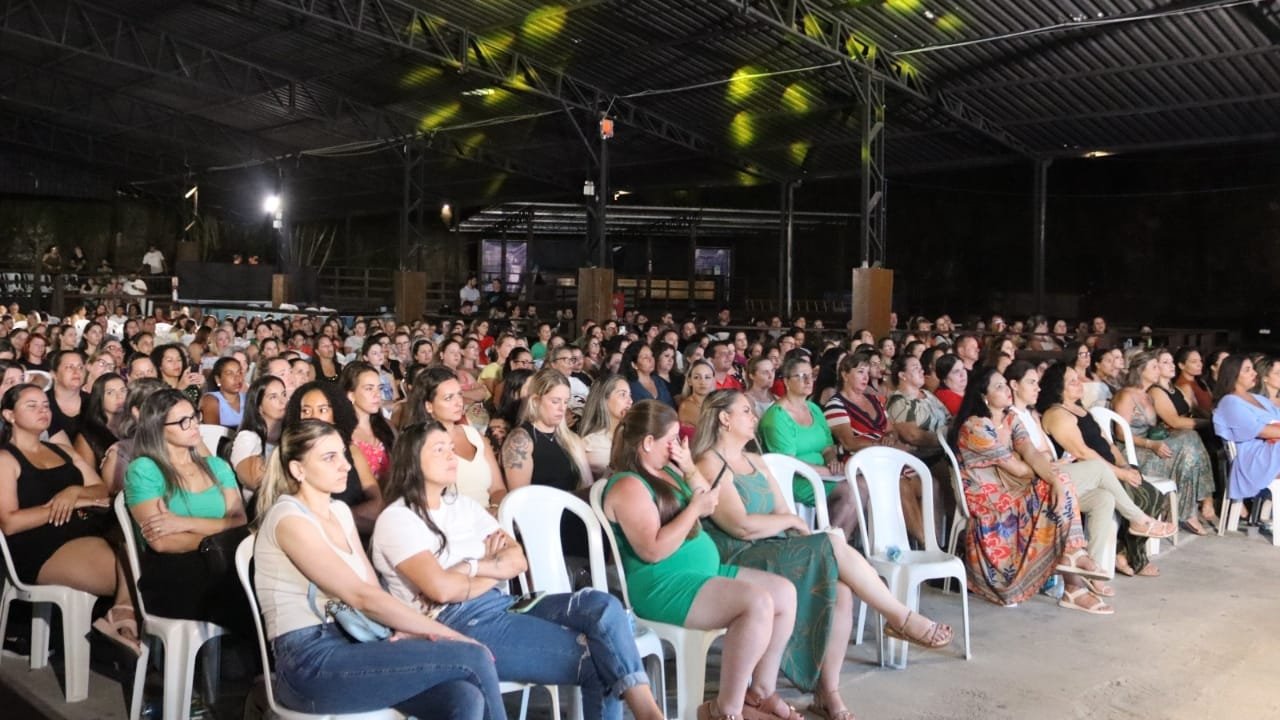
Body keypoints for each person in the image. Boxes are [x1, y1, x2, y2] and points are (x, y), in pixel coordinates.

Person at [369, 422, 664, 720]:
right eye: (439, 449)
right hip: (455, 621)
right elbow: (442, 590)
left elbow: (517, 561)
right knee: (601, 660)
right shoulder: (399, 519)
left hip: (503, 605)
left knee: (602, 605)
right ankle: (650, 715)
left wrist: (471, 567)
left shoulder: (461, 506)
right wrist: (491, 570)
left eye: (451, 447)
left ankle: (648, 713)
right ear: (412, 461)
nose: (452, 456)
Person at [695, 390, 950, 716]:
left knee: (842, 589)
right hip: (737, 555)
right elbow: (740, 526)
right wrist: (788, 522)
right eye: (745, 411)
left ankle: (827, 691)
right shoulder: (709, 463)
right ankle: (901, 618)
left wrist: (788, 523)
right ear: (724, 418)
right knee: (831, 544)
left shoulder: (755, 461)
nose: (754, 416)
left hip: (771, 547)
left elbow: (783, 510)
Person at [249, 420, 506, 719]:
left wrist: (404, 630)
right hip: (308, 661)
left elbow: (371, 588)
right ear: (298, 470)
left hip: (356, 641)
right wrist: (450, 635)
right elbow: (361, 597)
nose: (345, 466)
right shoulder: (289, 519)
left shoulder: (340, 511)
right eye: (329, 458)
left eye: (343, 455)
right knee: (471, 656)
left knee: (461, 697)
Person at [601, 399, 797, 720]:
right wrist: (693, 508)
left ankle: (760, 693)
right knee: (756, 603)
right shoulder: (627, 485)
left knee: (784, 593)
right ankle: (725, 710)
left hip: (701, 573)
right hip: (663, 584)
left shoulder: (668, 471)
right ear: (648, 442)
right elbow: (652, 549)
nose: (677, 446)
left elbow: (711, 499)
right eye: (671, 440)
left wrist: (690, 468)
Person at [948, 369, 1109, 612]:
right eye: (1000, 387)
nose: (1007, 390)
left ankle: (1073, 564)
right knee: (1055, 484)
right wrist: (1051, 474)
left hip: (1014, 490)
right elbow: (1019, 469)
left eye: (1006, 385)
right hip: (989, 500)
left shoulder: (1010, 419)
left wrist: (1053, 479)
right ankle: (1074, 579)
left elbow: (1031, 453)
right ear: (984, 396)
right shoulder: (975, 427)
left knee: (1058, 483)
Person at [1006, 362, 1175, 592]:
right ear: (1014, 386)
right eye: (1032, 382)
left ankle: (1092, 571)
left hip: (1056, 475)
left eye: (1037, 382)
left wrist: (1125, 465)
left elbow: (1048, 450)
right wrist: (1051, 462)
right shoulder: (1014, 418)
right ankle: (1139, 520)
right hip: (1039, 483)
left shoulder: (1031, 414)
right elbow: (1029, 457)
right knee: (1097, 468)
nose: (1038, 387)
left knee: (1104, 498)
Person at [0, 383, 140, 651]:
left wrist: (74, 492)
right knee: (141, 571)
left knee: (144, 549)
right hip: (42, 545)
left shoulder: (62, 450)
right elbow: (9, 522)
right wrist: (65, 506)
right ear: (9, 415)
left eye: (45, 405)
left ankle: (124, 620)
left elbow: (99, 488)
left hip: (87, 530)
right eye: (32, 406)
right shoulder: (5, 458)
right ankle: (124, 623)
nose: (43, 410)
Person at [123, 389, 252, 634]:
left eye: (194, 417)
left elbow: (239, 519)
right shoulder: (145, 469)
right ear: (158, 428)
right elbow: (161, 541)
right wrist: (216, 539)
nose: (194, 425)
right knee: (240, 585)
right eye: (183, 421)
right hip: (171, 571)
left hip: (222, 559)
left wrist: (183, 522)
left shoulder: (217, 466)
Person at [1113, 351, 1215, 535]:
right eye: (1154, 366)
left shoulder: (1148, 395)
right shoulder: (1127, 395)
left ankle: (1188, 508)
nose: (1158, 369)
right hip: (1130, 451)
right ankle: (1192, 507)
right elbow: (1120, 434)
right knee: (1189, 443)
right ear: (1141, 370)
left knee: (1189, 440)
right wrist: (1151, 444)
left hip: (1149, 445)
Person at [284, 382, 384, 537]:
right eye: (306, 411)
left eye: (322, 410)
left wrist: (337, 519)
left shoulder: (352, 451)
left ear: (336, 414)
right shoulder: (290, 457)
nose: (313, 417)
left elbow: (377, 503)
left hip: (356, 535)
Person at [407, 367, 506, 509]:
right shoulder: (420, 445)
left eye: (459, 395)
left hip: (489, 520)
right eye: (449, 398)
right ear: (429, 406)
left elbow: (498, 488)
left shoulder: (475, 436)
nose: (459, 402)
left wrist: (495, 509)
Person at [1212, 355, 1280, 515]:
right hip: (1253, 458)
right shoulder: (1229, 402)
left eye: (1252, 369)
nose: (1254, 373)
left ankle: (1268, 515)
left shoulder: (1258, 399)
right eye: (1247, 370)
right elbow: (1261, 430)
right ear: (1233, 374)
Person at [228, 375, 287, 501]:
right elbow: (257, 482)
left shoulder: (290, 434)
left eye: (284, 394)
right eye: (273, 397)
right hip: (261, 508)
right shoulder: (247, 438)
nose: (283, 401)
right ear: (259, 407)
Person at [341, 362, 397, 485]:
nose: (377, 395)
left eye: (379, 388)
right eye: (369, 388)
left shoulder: (387, 426)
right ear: (351, 395)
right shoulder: (341, 434)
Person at [578, 374, 633, 479]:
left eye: (630, 395)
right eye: (623, 395)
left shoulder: (631, 434)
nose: (630, 401)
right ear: (604, 399)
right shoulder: (592, 443)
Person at [72, 372, 126, 469]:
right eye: (110, 392)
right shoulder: (87, 436)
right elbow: (88, 478)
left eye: (123, 390)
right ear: (99, 398)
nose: (119, 396)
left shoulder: (135, 427)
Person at [45, 350, 90, 445]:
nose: (76, 372)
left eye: (80, 367)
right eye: (69, 367)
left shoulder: (93, 402)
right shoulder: (41, 403)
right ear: (54, 374)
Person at [622, 342, 674, 408]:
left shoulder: (659, 381)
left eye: (652, 355)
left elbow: (671, 406)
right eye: (645, 357)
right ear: (634, 364)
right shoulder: (629, 387)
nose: (651, 360)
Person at [200, 357, 246, 430]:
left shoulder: (248, 398)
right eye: (229, 373)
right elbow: (213, 433)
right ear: (218, 379)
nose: (237, 378)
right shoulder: (211, 400)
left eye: (239, 372)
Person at [678, 359, 716, 436]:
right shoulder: (686, 406)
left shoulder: (717, 401)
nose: (702, 382)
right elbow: (711, 429)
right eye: (697, 377)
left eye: (707, 377)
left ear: (713, 380)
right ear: (689, 381)